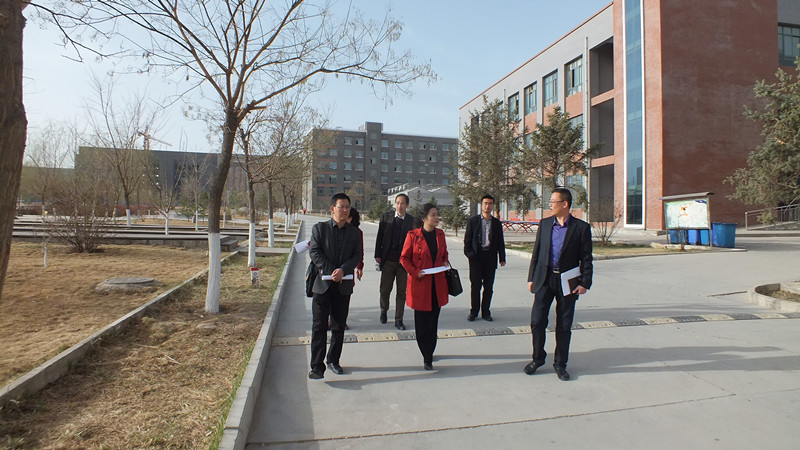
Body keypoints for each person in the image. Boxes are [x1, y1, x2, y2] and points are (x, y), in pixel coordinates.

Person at [525, 188, 593, 381]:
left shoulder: (581, 228)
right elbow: (537, 253)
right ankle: (538, 358)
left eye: (553, 201)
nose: (550, 205)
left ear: (565, 204)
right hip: (545, 279)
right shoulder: (545, 224)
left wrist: (585, 282)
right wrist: (531, 277)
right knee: (537, 321)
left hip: (568, 281)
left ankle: (560, 364)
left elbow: (586, 258)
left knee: (564, 324)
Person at [307, 193, 362, 379]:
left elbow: (356, 255)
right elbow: (315, 252)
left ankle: (333, 360)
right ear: (332, 209)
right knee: (319, 326)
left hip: (343, 286)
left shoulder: (354, 233)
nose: (345, 210)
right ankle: (316, 366)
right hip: (322, 285)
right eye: (341, 207)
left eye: (347, 207)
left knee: (338, 326)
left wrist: (343, 270)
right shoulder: (320, 229)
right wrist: (333, 271)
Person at [400, 203, 450, 370]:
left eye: (437, 214)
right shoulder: (413, 236)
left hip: (437, 285)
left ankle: (429, 355)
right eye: (433, 215)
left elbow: (444, 253)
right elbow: (404, 258)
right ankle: (426, 354)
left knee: (433, 324)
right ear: (424, 218)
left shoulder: (440, 234)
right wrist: (415, 272)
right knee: (422, 325)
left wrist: (445, 261)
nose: (437, 218)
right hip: (420, 285)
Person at [375, 193, 415, 330]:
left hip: (403, 263)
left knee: (401, 292)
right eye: (398, 203)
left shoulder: (411, 221)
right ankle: (383, 311)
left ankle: (399, 319)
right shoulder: (386, 217)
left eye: (403, 203)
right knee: (385, 290)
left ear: (407, 205)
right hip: (388, 260)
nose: (400, 206)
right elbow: (380, 237)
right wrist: (378, 255)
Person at [463, 194, 506, 322]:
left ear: (493, 206)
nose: (488, 206)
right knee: (475, 286)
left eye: (490, 203)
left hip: (490, 258)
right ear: (481, 205)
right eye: (485, 203)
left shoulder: (496, 223)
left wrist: (502, 257)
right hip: (476, 258)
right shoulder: (473, 221)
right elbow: (467, 240)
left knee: (488, 287)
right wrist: (470, 254)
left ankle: (486, 312)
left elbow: (500, 241)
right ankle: (474, 312)